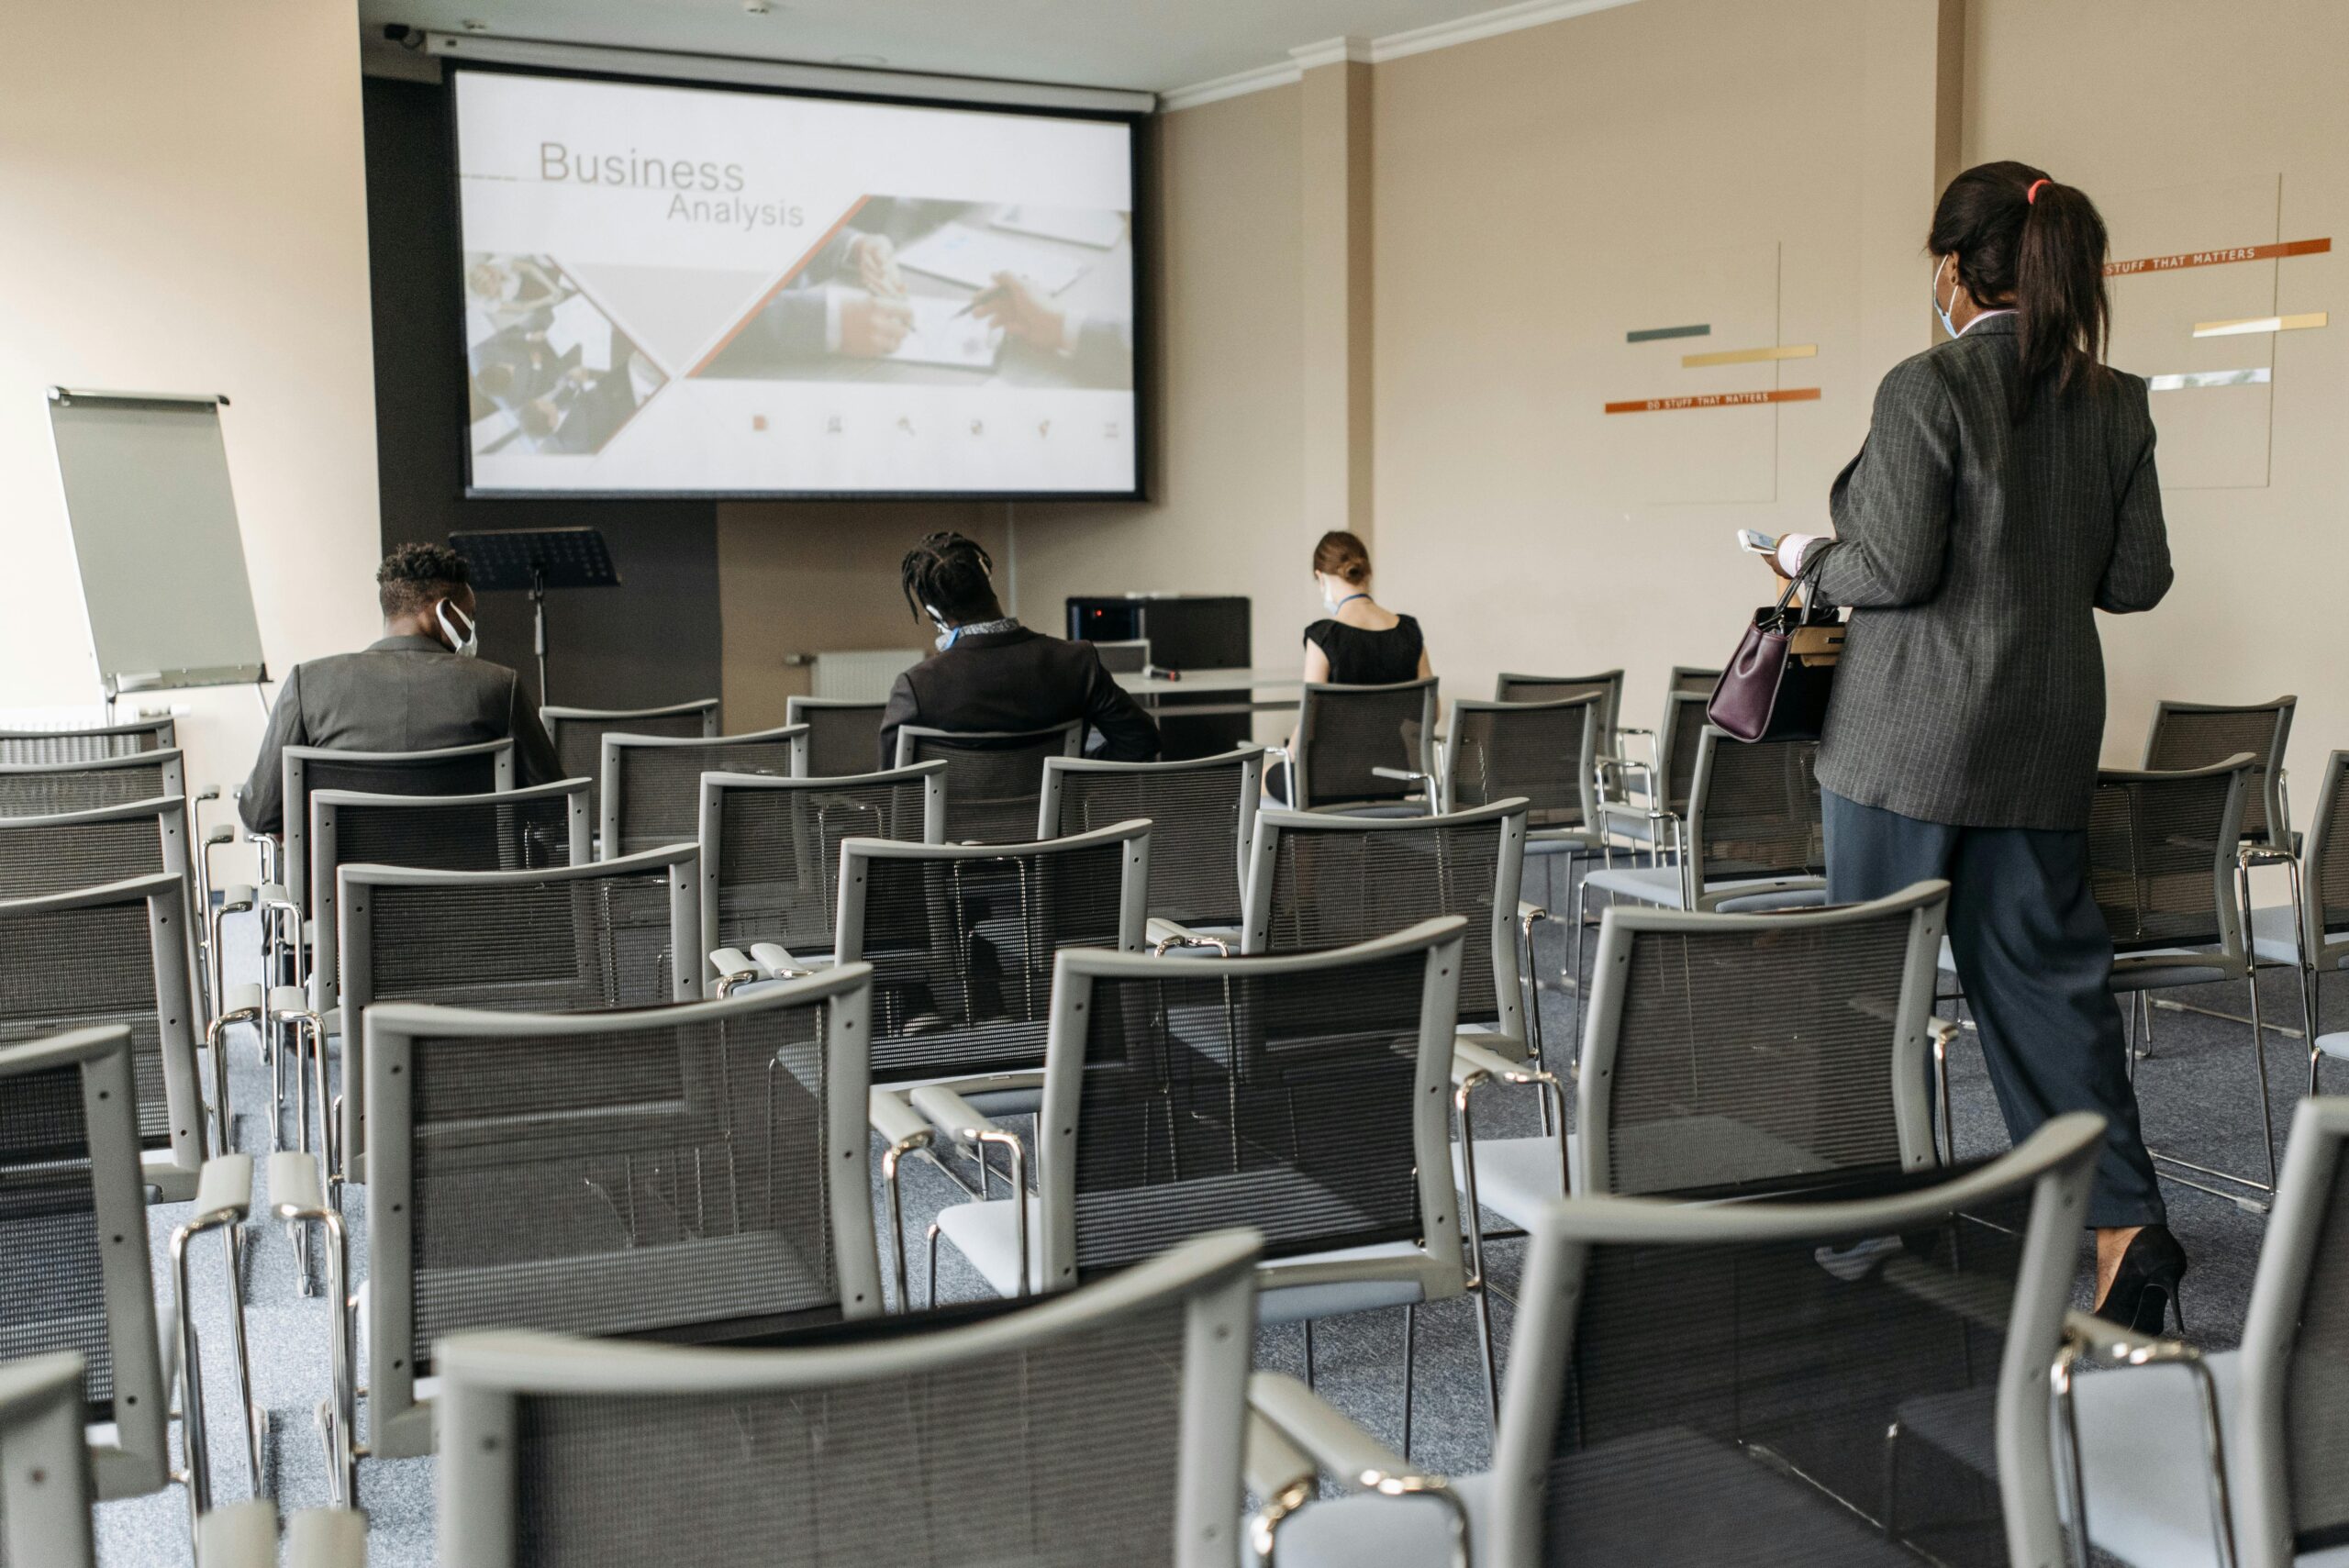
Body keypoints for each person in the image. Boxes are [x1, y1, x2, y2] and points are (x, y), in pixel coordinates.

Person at [1768, 161, 2178, 1331]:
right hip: (2040, 742)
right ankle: (2121, 1228)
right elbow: (2137, 580)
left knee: (1872, 984)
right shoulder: (2118, 400)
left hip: (1904, 747)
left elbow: (1889, 568)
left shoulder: (1926, 386)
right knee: (2055, 991)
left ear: (1953, 269)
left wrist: (1805, 556)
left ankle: (1860, 1221)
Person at [239, 542, 563, 835]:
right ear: (445, 611)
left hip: (340, 897)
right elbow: (553, 806)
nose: (473, 627)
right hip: (470, 898)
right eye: (470, 615)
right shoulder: (498, 687)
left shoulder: (308, 684)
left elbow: (261, 815)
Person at [875, 531, 1158, 768]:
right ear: (988, 580)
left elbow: (892, 785)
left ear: (934, 613)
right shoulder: (1077, 662)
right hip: (1059, 836)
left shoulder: (916, 688)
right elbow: (1142, 741)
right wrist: (1069, 775)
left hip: (952, 834)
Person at [1268, 530, 1436, 804]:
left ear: (1321, 578)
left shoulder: (1323, 636)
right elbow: (1431, 712)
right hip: (1392, 777)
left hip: (1329, 782)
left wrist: (1288, 751)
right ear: (1366, 573)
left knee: (1262, 776)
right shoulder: (1409, 632)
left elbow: (1309, 722)